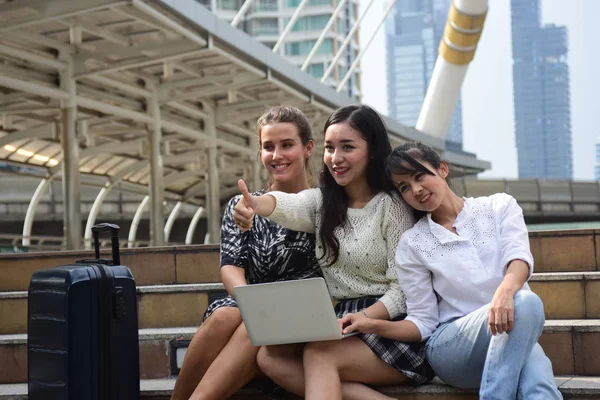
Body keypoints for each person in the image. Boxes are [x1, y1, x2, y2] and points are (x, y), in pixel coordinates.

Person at [233, 105, 433, 400]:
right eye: (329, 148)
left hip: (391, 326)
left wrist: (364, 318)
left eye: (347, 147)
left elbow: (403, 290)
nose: (335, 159)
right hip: (340, 321)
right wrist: (254, 204)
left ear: (372, 150)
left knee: (319, 356)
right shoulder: (322, 203)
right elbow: (288, 205)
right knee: (269, 358)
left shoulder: (392, 206)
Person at [342, 141, 562, 399]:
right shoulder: (413, 243)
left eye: (419, 176)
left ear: (442, 169)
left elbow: (519, 257)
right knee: (526, 303)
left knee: (539, 384)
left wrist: (503, 293)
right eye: (404, 187)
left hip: (511, 330)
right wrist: (373, 325)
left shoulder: (499, 206)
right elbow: (422, 322)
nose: (416, 189)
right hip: (453, 348)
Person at [170, 106, 323, 400]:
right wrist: (252, 300)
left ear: (308, 148)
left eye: (287, 145)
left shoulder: (323, 204)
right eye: (268, 147)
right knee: (226, 317)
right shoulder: (242, 205)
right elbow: (230, 265)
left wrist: (259, 309)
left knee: (254, 323)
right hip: (246, 303)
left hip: (301, 312)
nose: (276, 155)